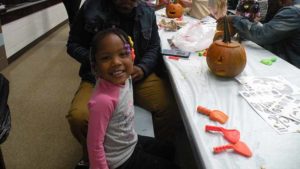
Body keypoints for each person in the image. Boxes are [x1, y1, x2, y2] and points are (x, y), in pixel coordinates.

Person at [66, 0, 181, 168]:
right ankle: (95, 159)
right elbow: (72, 44)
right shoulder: (90, 8)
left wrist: (142, 68)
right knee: (79, 117)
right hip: (99, 78)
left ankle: (152, 150)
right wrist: (99, 65)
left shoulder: (147, 12)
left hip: (137, 75)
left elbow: (154, 46)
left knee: (168, 106)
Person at [87, 27, 180, 169]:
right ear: (95, 66)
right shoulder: (103, 101)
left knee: (169, 149)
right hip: (120, 160)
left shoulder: (126, 77)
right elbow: (94, 145)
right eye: (106, 58)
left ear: (132, 56)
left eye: (123, 54)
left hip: (130, 141)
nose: (116, 62)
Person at [218, 0, 300, 68]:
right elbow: (272, 30)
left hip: (291, 68)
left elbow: (262, 35)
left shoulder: (293, 12)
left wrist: (236, 20)